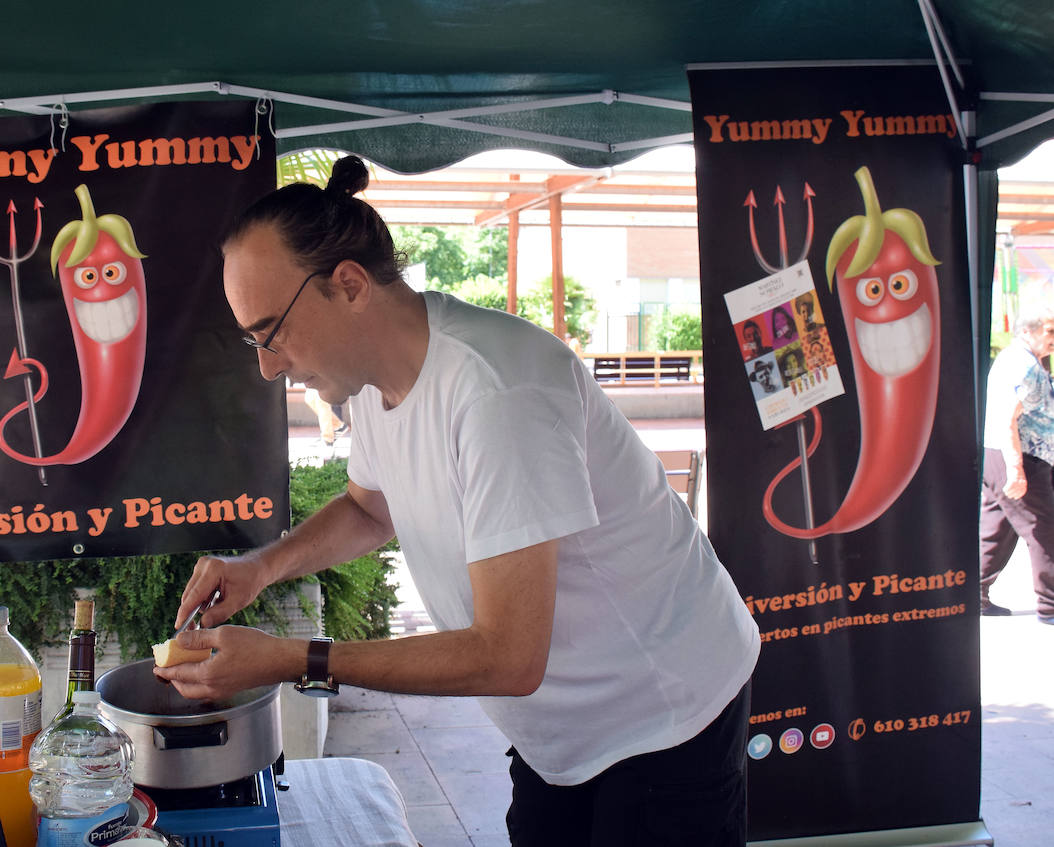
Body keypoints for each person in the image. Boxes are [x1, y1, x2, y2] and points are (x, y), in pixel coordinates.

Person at [154, 155, 761, 845]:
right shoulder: (376, 381)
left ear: (348, 285)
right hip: (557, 730)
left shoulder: (498, 396)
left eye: (272, 331)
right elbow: (367, 508)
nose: (268, 364)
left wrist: (295, 657)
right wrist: (258, 568)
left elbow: (508, 655)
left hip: (661, 711)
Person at [979, 306, 1054, 624]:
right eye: (1049, 332)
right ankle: (1050, 605)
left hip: (1003, 455)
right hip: (1018, 456)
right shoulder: (1023, 365)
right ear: (1028, 330)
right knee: (1045, 530)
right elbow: (1008, 419)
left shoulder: (1019, 358)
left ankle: (972, 594)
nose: (1052, 339)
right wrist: (1016, 469)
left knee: (996, 529)